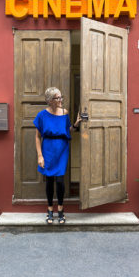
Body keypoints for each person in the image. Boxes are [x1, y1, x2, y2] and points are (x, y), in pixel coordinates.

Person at [33, 87, 81, 224]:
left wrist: (76, 124)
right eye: (57, 98)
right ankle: (49, 210)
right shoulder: (41, 115)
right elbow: (37, 137)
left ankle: (60, 209)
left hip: (62, 149)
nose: (61, 100)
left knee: (60, 180)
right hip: (48, 149)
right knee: (49, 180)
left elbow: (68, 130)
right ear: (49, 100)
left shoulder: (65, 112)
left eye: (61, 97)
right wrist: (39, 155)